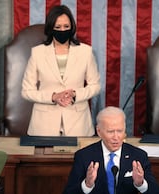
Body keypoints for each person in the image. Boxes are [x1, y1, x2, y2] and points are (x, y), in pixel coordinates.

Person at [21, 5, 101, 136]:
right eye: (58, 27)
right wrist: (53, 97)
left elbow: (95, 86)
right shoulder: (37, 53)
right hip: (44, 125)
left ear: (72, 27)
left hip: (78, 123)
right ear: (50, 28)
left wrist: (76, 94)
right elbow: (27, 91)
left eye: (66, 27)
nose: (62, 30)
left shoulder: (85, 51)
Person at [62, 106, 159, 194]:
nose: (116, 137)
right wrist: (87, 185)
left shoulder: (137, 156)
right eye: (110, 132)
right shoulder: (84, 156)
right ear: (99, 131)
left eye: (120, 131)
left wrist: (141, 184)